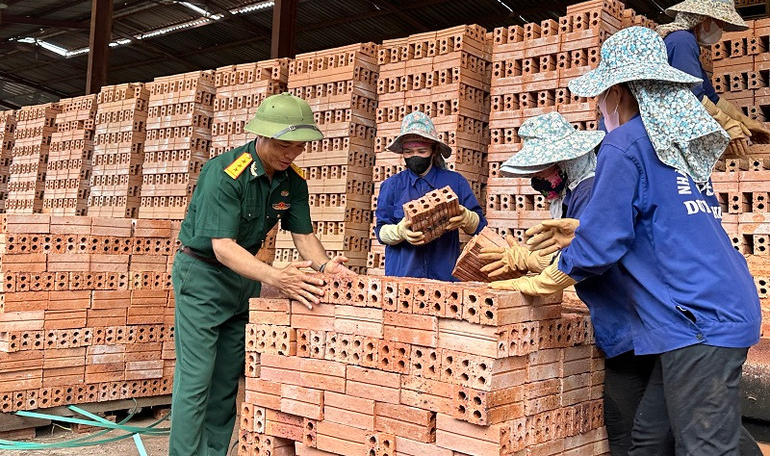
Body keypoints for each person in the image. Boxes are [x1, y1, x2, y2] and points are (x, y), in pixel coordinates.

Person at [491, 26, 761, 455]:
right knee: (653, 435)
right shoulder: (674, 144)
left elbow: (603, 246)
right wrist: (577, 229)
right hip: (716, 305)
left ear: (618, 91)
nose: (600, 107)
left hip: (698, 318)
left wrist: (544, 279)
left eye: (602, 97)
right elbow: (658, 223)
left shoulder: (625, 142)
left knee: (705, 446)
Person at [169, 92, 355, 456]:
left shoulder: (292, 181)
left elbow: (303, 235)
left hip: (244, 280)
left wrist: (326, 266)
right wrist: (277, 277)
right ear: (262, 136)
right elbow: (222, 247)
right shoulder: (225, 174)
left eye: (299, 147)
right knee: (195, 380)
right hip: (203, 276)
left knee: (225, 381)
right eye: (285, 145)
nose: (291, 154)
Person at [478, 112, 667, 456]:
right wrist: (529, 260)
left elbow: (596, 255)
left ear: (568, 161)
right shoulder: (572, 194)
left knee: (644, 432)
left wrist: (534, 271)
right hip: (621, 326)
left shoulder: (592, 192)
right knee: (627, 427)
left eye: (544, 169)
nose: (539, 179)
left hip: (638, 322)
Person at [375, 111, 486, 281]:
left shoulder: (455, 182)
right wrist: (399, 231)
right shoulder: (391, 186)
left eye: (421, 151)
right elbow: (381, 231)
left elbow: (480, 228)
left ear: (434, 151)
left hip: (445, 278)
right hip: (402, 278)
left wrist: (467, 218)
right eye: (409, 152)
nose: (415, 156)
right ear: (402, 153)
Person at [658, 0, 770, 154]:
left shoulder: (687, 42)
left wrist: (744, 121)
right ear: (705, 18)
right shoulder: (682, 41)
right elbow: (692, 97)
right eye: (721, 22)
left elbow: (711, 97)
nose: (722, 28)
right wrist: (726, 124)